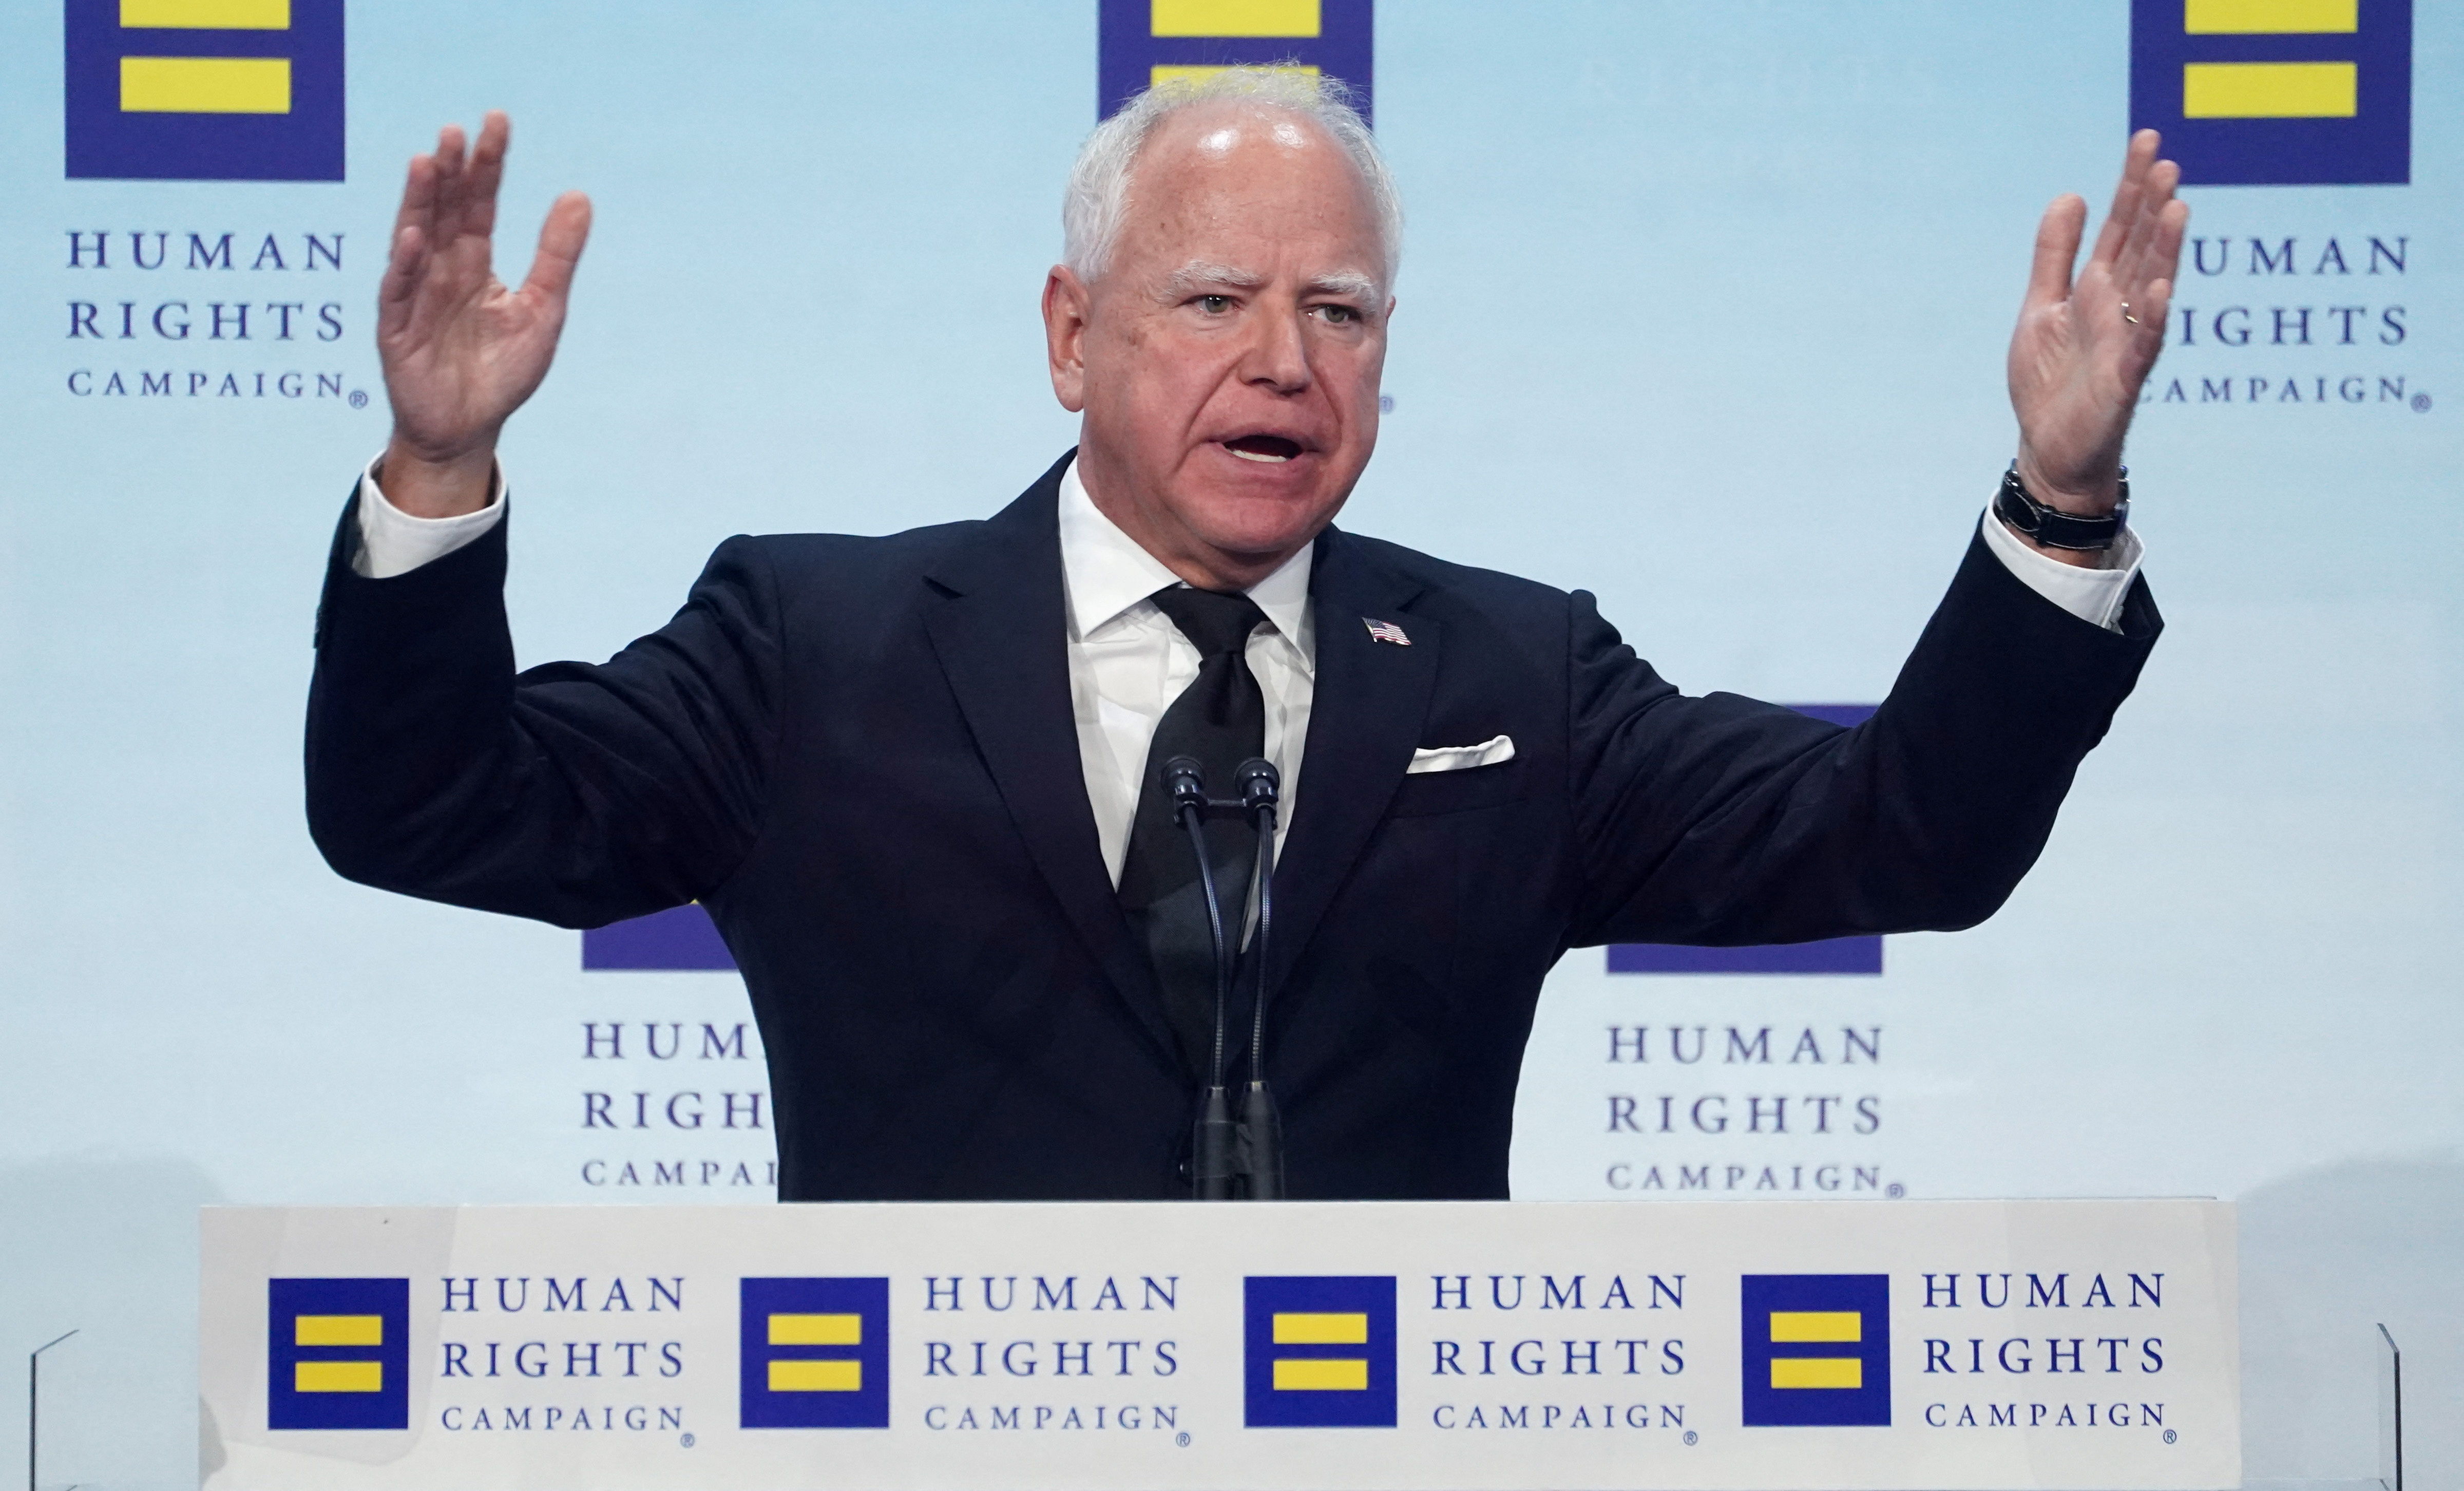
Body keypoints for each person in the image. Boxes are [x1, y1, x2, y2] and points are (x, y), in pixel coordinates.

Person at [307, 69, 2184, 1200]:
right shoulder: (816, 647)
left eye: (1339, 313)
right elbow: (431, 811)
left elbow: (1900, 837)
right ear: (1071, 335)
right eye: (1214, 300)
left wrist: (2060, 499)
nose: (1286, 362)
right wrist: (439, 463)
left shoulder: (1513, 681)